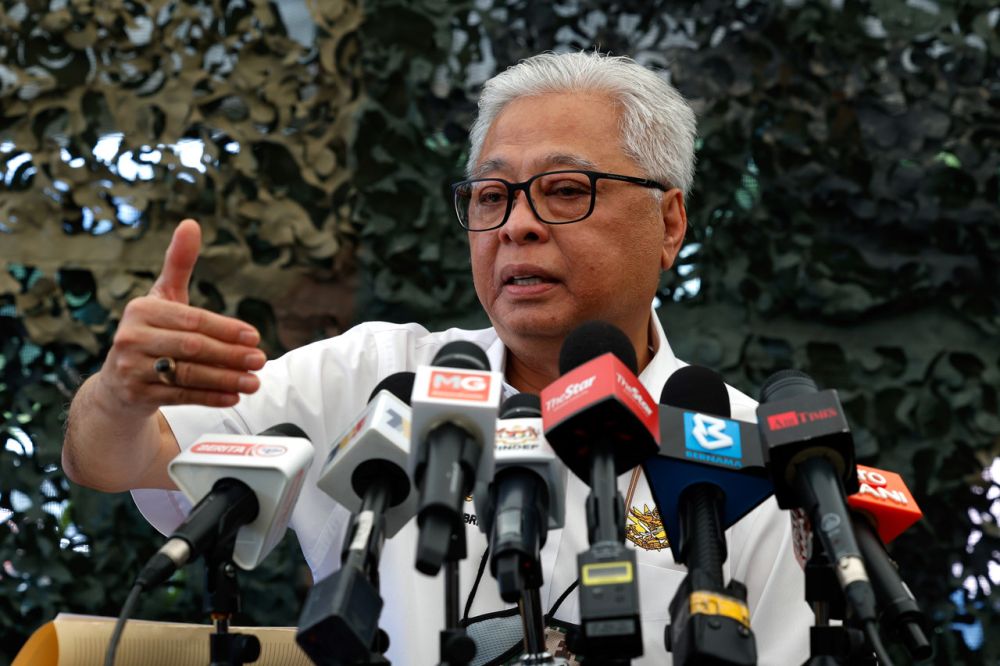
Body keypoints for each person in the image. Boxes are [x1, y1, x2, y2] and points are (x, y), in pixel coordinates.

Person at [63, 52, 811, 664]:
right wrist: (119, 398)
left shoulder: (741, 457)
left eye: (564, 189)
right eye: (491, 196)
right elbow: (118, 458)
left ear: (668, 221)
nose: (516, 225)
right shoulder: (378, 379)